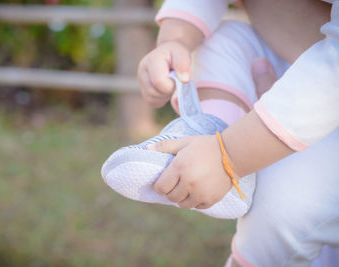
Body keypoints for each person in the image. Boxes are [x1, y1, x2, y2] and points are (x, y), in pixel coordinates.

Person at [139, 0, 339, 265]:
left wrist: (229, 156)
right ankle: (208, 135)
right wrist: (175, 40)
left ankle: (220, 164)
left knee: (281, 211)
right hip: (291, 60)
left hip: (328, 88)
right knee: (222, 40)